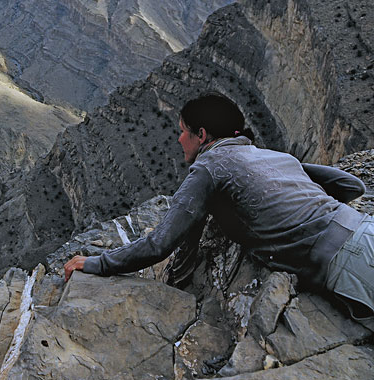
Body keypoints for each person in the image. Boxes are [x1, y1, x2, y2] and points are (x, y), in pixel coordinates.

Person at [64, 93, 373, 320]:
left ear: (202, 135)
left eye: (183, 130)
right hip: (364, 228)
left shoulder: (209, 167)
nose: (179, 138)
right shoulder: (273, 156)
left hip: (346, 262)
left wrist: (96, 263)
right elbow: (352, 186)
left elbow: (159, 244)